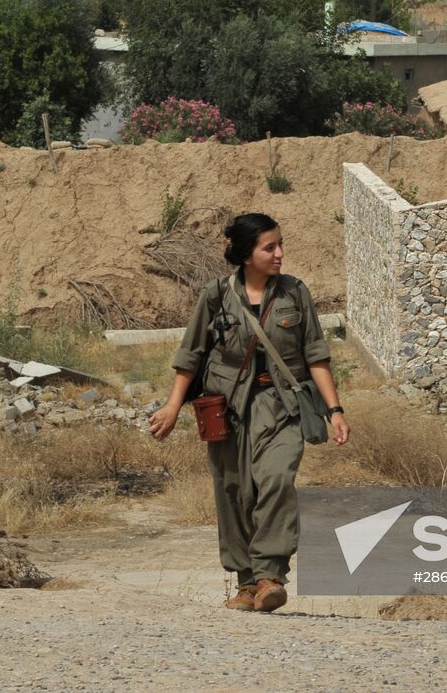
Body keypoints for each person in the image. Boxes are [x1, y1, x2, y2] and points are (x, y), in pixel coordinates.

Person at [149, 213, 349, 613]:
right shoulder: (216, 296)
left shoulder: (294, 293)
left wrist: (335, 409)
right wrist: (173, 405)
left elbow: (315, 355)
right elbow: (190, 356)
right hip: (228, 410)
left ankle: (270, 575)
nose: (279, 254)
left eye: (280, 244)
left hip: (282, 406)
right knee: (234, 490)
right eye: (269, 247)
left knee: (275, 479)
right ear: (245, 254)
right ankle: (246, 582)